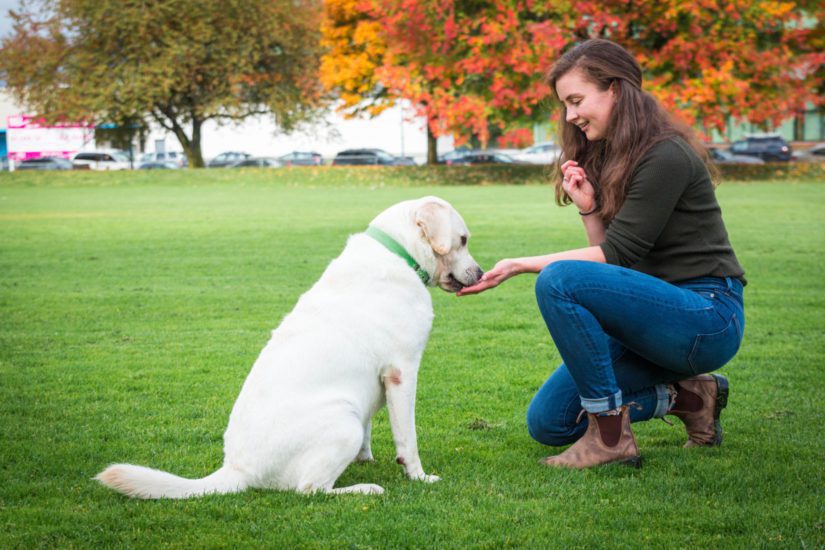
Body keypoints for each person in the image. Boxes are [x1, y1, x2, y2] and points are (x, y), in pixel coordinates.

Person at [457, 39, 746, 469]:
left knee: (559, 279)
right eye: (565, 105)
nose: (570, 116)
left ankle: (610, 437)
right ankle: (692, 397)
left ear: (615, 89)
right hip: (650, 318)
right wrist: (589, 207)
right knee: (550, 422)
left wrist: (519, 265)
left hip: (706, 316)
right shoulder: (614, 155)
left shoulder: (666, 155)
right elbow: (619, 258)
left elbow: (617, 253)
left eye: (576, 100)